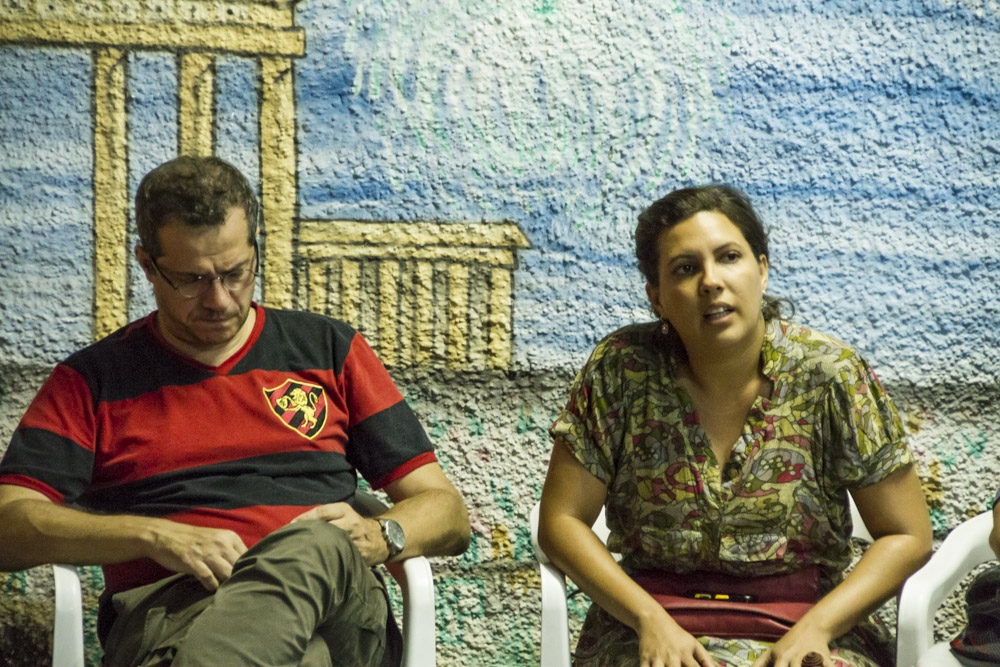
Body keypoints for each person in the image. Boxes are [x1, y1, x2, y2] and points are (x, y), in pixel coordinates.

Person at [0, 155, 470, 667]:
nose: (220, 300)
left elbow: (448, 513)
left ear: (256, 250)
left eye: (235, 273)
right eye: (192, 280)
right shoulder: (92, 381)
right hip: (176, 615)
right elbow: (7, 526)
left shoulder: (329, 350)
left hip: (337, 604)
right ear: (147, 265)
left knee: (314, 544)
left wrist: (380, 535)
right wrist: (152, 536)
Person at [537, 185, 932, 667]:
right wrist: (647, 619)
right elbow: (561, 522)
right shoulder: (621, 372)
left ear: (761, 270)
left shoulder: (831, 375)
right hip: (649, 630)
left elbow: (907, 535)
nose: (711, 281)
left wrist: (819, 627)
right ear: (656, 297)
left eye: (728, 257)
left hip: (807, 625)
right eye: (685, 268)